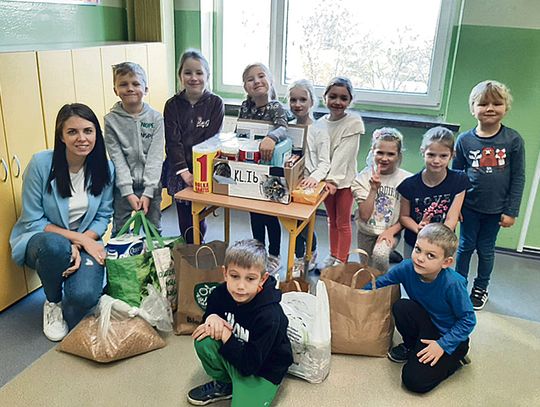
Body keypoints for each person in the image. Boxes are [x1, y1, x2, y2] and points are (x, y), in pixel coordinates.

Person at [10, 103, 114, 341]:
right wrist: (74, 243)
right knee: (55, 247)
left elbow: (102, 216)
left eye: (88, 131)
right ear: (61, 135)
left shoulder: (104, 167)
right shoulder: (41, 164)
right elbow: (33, 219)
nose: (82, 138)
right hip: (41, 240)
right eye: (72, 132)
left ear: (96, 133)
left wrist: (79, 245)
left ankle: (65, 275)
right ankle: (53, 302)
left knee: (84, 297)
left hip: (84, 241)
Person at [364, 223, 476, 393]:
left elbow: (468, 320)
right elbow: (379, 283)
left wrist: (442, 345)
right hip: (427, 325)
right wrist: (354, 294)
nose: (420, 258)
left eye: (430, 255)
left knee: (414, 381)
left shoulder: (453, 284)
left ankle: (455, 359)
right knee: (402, 306)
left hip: (450, 338)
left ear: (446, 262)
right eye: (418, 249)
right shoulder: (407, 267)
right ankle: (411, 346)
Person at [187, 239, 293, 406]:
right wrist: (211, 317)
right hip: (237, 352)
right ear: (225, 273)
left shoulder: (270, 316)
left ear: (263, 279)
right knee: (204, 338)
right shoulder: (219, 294)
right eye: (234, 276)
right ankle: (225, 384)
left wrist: (227, 335)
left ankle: (254, 389)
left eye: (250, 278)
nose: (241, 286)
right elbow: (210, 316)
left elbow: (250, 365)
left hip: (263, 369)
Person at [452, 80, 525, 310]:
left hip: (496, 210)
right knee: (464, 247)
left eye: (497, 103)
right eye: (483, 103)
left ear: (506, 107)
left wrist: (511, 210)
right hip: (470, 208)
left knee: (485, 249)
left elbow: (518, 178)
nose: (490, 108)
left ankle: (481, 287)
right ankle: (458, 285)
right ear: (473, 108)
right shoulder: (464, 140)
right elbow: (456, 175)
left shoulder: (513, 140)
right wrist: (456, 207)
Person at [163, 49, 224, 243]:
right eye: (188, 72)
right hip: (179, 169)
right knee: (184, 213)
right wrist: (185, 173)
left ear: (207, 75)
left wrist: (199, 173)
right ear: (180, 76)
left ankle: (199, 244)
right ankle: (190, 247)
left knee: (199, 211)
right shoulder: (172, 105)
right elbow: (173, 143)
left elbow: (212, 140)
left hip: (204, 168)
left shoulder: (216, 103)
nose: (193, 77)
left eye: (199, 72)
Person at [238, 63, 289, 275]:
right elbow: (239, 131)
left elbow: (283, 127)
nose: (256, 81)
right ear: (245, 87)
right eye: (250, 79)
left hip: (270, 170)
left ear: (270, 81)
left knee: (270, 214)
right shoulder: (245, 106)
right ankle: (259, 252)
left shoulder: (276, 107)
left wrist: (270, 137)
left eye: (261, 76)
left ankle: (274, 255)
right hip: (250, 168)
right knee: (255, 214)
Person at [104, 62, 164, 235]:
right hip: (123, 186)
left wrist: (148, 191)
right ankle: (122, 262)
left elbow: (155, 156)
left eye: (136, 84)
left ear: (145, 89)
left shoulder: (156, 118)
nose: (130, 88)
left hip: (151, 185)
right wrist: (127, 192)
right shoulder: (111, 121)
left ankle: (155, 262)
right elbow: (117, 158)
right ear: (115, 90)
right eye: (123, 84)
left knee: (153, 230)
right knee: (120, 230)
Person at [397, 126, 471, 258]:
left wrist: (435, 236)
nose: (436, 161)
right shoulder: (409, 185)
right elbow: (404, 217)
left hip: (442, 243)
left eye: (443, 156)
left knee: (436, 276)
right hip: (415, 242)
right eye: (431, 155)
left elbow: (451, 219)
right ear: (422, 151)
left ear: (452, 155)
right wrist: (419, 229)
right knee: (411, 274)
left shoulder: (459, 181)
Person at [315, 77, 365, 268]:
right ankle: (333, 254)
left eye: (343, 98)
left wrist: (334, 181)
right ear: (325, 97)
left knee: (342, 221)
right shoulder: (320, 123)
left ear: (350, 100)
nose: (337, 102)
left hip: (343, 181)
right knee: (331, 220)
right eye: (333, 96)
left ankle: (341, 260)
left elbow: (344, 154)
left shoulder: (353, 123)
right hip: (326, 180)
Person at [351, 128, 411, 272]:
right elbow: (365, 216)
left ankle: (383, 285)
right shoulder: (362, 179)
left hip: (391, 230)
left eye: (391, 154)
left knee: (380, 255)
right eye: (380, 153)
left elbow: (405, 216)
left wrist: (390, 232)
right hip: (366, 232)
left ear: (399, 155)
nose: (384, 158)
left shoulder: (407, 181)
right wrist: (373, 189)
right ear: (373, 152)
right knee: (366, 268)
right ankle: (371, 287)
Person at [288, 79, 330, 275]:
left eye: (303, 99)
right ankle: (297, 257)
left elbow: (324, 163)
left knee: (304, 224)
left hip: (310, 184)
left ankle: (310, 253)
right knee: (292, 223)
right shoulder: (288, 127)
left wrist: (314, 178)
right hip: (291, 182)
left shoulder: (320, 130)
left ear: (312, 101)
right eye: (293, 100)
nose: (298, 104)